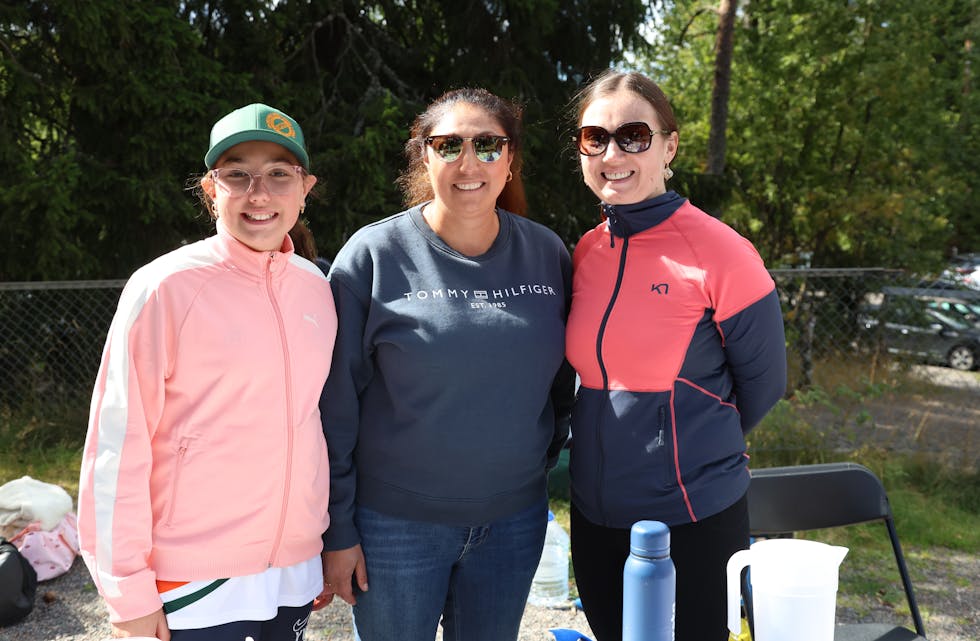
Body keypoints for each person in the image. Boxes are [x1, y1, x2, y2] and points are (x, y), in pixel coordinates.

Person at [316, 87, 574, 641]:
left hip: (513, 524)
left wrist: (529, 468)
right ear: (423, 157)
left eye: (487, 145)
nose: (467, 162)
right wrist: (337, 530)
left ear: (511, 161)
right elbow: (334, 407)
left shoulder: (548, 254)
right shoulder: (372, 257)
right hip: (394, 528)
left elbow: (559, 388)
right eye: (447, 144)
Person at [77, 103, 337, 641]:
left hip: (290, 570)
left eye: (279, 175)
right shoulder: (164, 287)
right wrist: (127, 590)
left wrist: (315, 543)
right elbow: (116, 446)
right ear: (210, 188)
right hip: (193, 576)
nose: (258, 193)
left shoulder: (317, 286)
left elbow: (312, 423)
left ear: (305, 188)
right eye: (237, 174)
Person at [564, 70, 787, 641]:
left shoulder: (721, 251)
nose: (613, 153)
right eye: (596, 138)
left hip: (692, 518)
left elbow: (762, 386)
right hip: (594, 516)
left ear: (670, 146)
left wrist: (687, 453)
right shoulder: (587, 251)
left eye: (633, 135)